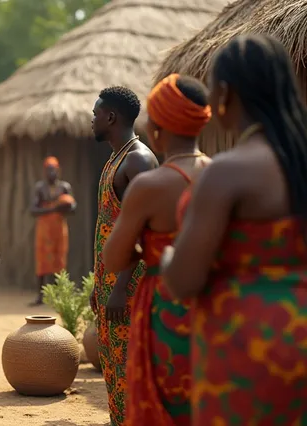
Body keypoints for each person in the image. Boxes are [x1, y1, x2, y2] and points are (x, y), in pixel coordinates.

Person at [161, 34, 307, 425]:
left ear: (224, 93)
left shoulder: (226, 173)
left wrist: (169, 255)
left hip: (246, 342)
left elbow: (184, 280)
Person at [101, 74, 211, 425]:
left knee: (159, 392)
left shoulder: (150, 182)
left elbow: (114, 256)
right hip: (212, 298)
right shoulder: (222, 175)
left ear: (158, 127)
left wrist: (147, 247)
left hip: (164, 302)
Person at [90, 85, 159, 425]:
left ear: (111, 117)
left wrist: (119, 286)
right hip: (110, 284)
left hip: (128, 289)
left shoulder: (139, 161)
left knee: (131, 365)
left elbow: (148, 231)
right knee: (115, 367)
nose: (92, 120)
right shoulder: (116, 159)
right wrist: (99, 284)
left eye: (96, 114)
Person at [29, 156, 76, 306]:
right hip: (44, 228)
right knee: (42, 259)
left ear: (58, 170)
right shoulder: (40, 188)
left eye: (53, 169)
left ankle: (60, 296)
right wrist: (54, 208)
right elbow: (33, 210)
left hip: (59, 228)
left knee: (59, 259)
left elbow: (73, 207)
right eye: (48, 170)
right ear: (44, 171)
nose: (51, 173)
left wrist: (66, 207)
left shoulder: (64, 187)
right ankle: (40, 296)